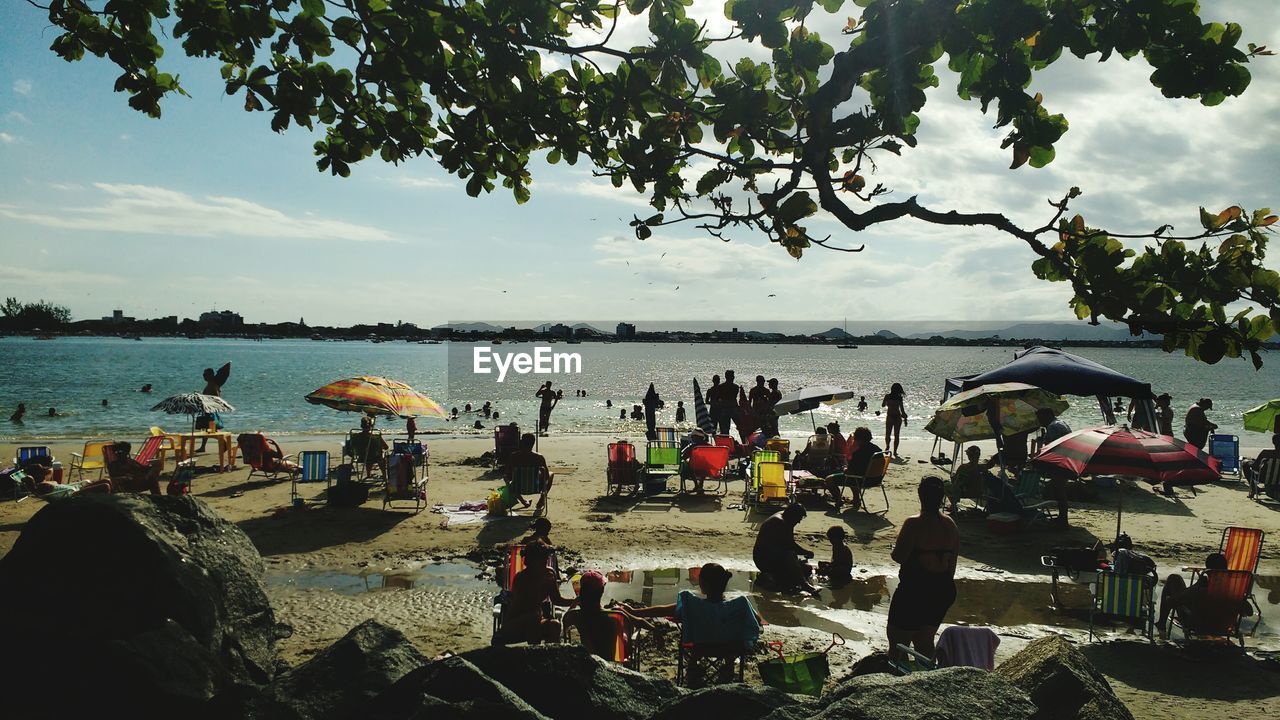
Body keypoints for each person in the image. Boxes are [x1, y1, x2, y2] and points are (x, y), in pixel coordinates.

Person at [626, 563, 763, 684]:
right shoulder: (740, 604)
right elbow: (756, 619)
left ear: (705, 585)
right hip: (730, 648)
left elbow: (663, 610)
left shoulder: (693, 605)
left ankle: (693, 668)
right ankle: (728, 667)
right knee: (728, 635)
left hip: (700, 648)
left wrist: (635, 612)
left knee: (698, 643)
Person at [887, 476, 959, 662]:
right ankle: (927, 677)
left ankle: (898, 680)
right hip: (942, 588)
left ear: (920, 496)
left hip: (916, 588)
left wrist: (892, 549)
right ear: (942, 497)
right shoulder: (950, 524)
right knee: (925, 641)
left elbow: (899, 557)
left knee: (898, 644)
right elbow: (952, 565)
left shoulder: (913, 524)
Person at [1156, 552, 1251, 638]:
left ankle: (1161, 624)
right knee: (1178, 585)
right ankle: (1161, 624)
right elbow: (1249, 611)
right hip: (1224, 626)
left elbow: (1172, 602)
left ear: (1208, 571)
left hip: (1198, 625)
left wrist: (1197, 585)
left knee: (1174, 579)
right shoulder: (1233, 591)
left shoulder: (1201, 590)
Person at [499, 540, 575, 644]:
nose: (545, 561)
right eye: (542, 559)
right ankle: (535, 654)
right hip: (515, 621)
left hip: (536, 619)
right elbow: (521, 605)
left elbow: (557, 600)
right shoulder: (521, 578)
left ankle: (552, 657)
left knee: (554, 625)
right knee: (532, 617)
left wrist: (576, 600)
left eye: (546, 558)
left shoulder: (549, 573)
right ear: (531, 560)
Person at [563, 570, 649, 659]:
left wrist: (574, 603)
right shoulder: (615, 613)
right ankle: (628, 662)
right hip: (616, 656)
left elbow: (566, 621)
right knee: (624, 624)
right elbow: (639, 621)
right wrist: (655, 630)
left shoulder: (576, 615)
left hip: (588, 657)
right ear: (602, 591)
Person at [753, 504, 818, 596]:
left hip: (774, 555)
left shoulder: (787, 519)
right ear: (793, 515)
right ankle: (804, 585)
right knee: (791, 555)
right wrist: (806, 552)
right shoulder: (779, 522)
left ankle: (780, 579)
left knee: (806, 569)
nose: (799, 522)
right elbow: (790, 545)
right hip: (764, 559)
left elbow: (787, 544)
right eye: (799, 518)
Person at [827, 426, 882, 508]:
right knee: (853, 476)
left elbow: (850, 471)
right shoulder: (878, 450)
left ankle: (838, 500)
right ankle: (856, 499)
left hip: (863, 480)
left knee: (829, 479)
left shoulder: (859, 453)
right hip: (877, 479)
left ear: (858, 439)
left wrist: (844, 468)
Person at [1036, 408, 1073, 524]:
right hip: (1067, 459)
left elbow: (1051, 447)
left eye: (1040, 419)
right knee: (1060, 489)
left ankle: (1063, 519)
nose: (1039, 422)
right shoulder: (1061, 423)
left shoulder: (1052, 427)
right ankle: (1063, 517)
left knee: (1059, 490)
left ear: (1047, 416)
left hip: (1060, 461)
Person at [506, 433, 554, 512]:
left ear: (521, 443)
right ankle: (542, 498)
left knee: (507, 480)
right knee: (551, 474)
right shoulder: (539, 457)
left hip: (518, 487)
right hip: (535, 487)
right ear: (533, 443)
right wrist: (540, 473)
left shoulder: (513, 456)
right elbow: (546, 476)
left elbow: (508, 476)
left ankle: (523, 501)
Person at [946, 446, 997, 512]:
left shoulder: (964, 467)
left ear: (969, 456)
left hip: (964, 492)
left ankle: (954, 505)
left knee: (945, 484)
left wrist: (953, 478)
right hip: (980, 493)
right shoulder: (983, 468)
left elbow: (957, 483)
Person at [197, 361, 231, 451]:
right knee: (207, 429)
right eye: (204, 375)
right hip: (208, 410)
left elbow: (217, 397)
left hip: (210, 411)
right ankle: (203, 447)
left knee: (212, 430)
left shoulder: (213, 385)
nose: (204, 376)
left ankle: (224, 443)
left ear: (211, 375)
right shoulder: (210, 384)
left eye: (205, 375)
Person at [1244, 433, 1280, 499]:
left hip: (1262, 477)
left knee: (1246, 464)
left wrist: (1250, 462)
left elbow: (1255, 466)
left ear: (1273, 442)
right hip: (1278, 479)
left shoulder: (1265, 453)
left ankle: (1254, 489)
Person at [882, 383, 907, 457]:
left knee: (888, 433)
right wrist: (905, 418)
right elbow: (902, 410)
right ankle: (895, 451)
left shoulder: (887, 396)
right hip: (897, 417)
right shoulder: (899, 398)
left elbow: (883, 405)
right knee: (897, 435)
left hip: (890, 416)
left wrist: (887, 402)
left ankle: (887, 446)